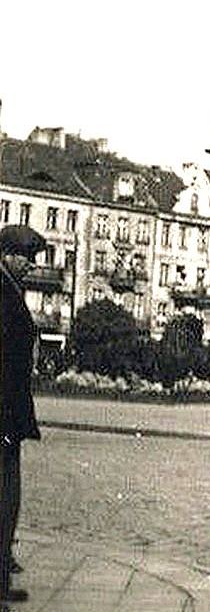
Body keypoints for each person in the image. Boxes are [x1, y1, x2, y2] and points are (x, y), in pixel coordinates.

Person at [1, 225, 46, 603]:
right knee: (4, 495)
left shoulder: (10, 289)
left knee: (8, 497)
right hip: (2, 416)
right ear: (6, 255)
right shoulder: (2, 293)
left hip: (9, 414)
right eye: (26, 256)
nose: (31, 264)